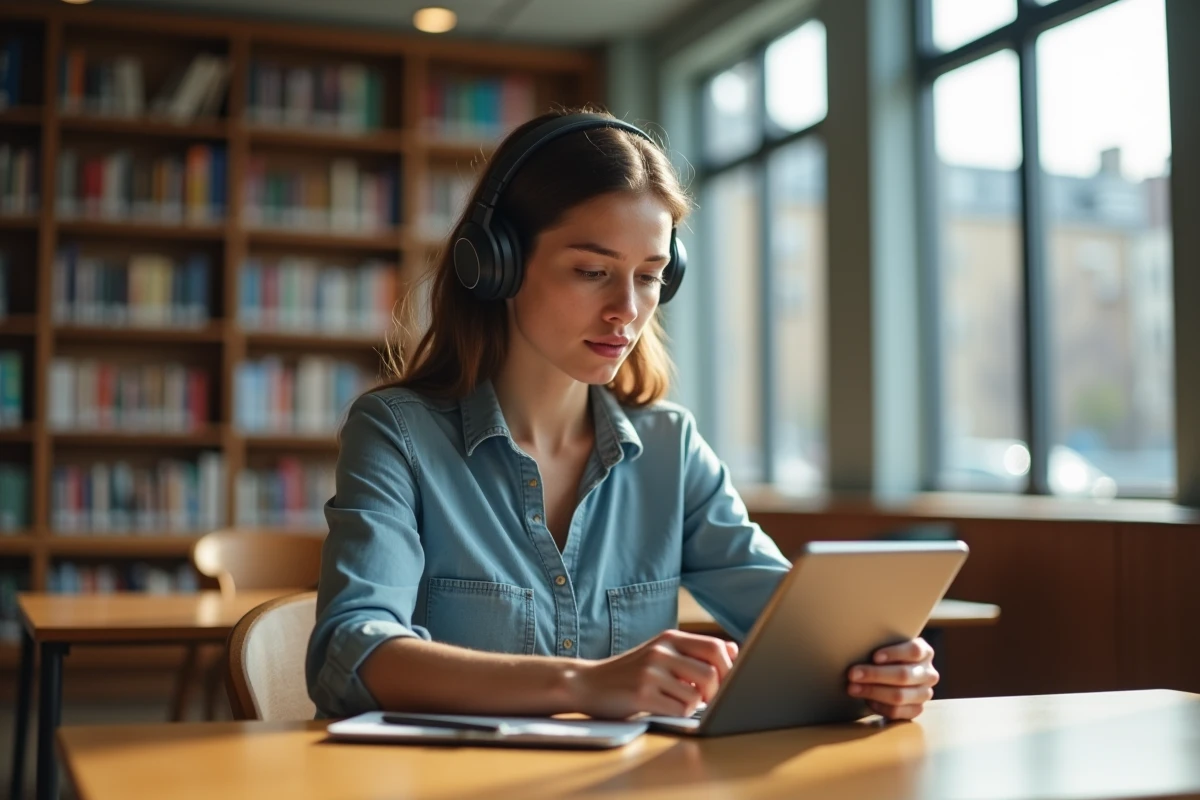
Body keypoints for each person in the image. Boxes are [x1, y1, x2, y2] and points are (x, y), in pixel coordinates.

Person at [306, 107, 939, 722]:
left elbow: (802, 628)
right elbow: (350, 652)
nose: (627, 310)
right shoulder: (397, 432)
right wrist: (585, 683)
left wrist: (881, 669)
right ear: (495, 264)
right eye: (591, 271)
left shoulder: (672, 447)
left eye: (650, 276)